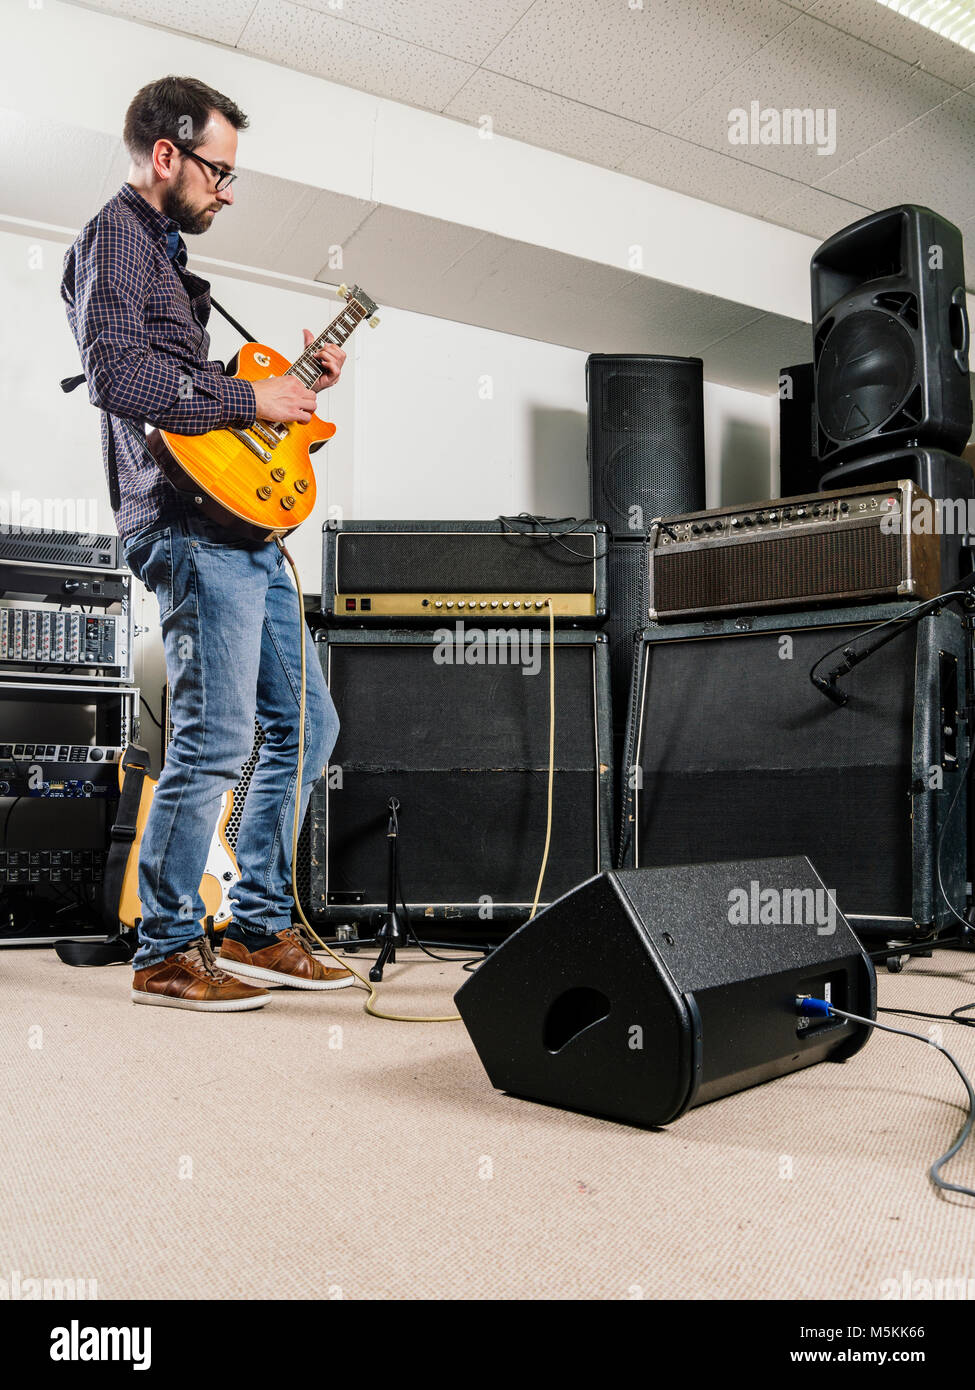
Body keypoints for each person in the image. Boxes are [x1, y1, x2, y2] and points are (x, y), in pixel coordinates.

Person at [61, 74, 353, 1011]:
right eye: (219, 172)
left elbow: (196, 395)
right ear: (165, 155)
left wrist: (289, 391)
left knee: (307, 728)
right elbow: (116, 375)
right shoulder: (112, 239)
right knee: (216, 734)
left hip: (243, 526)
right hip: (187, 530)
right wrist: (247, 397)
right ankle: (167, 948)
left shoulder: (167, 261)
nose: (226, 190)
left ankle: (260, 924)